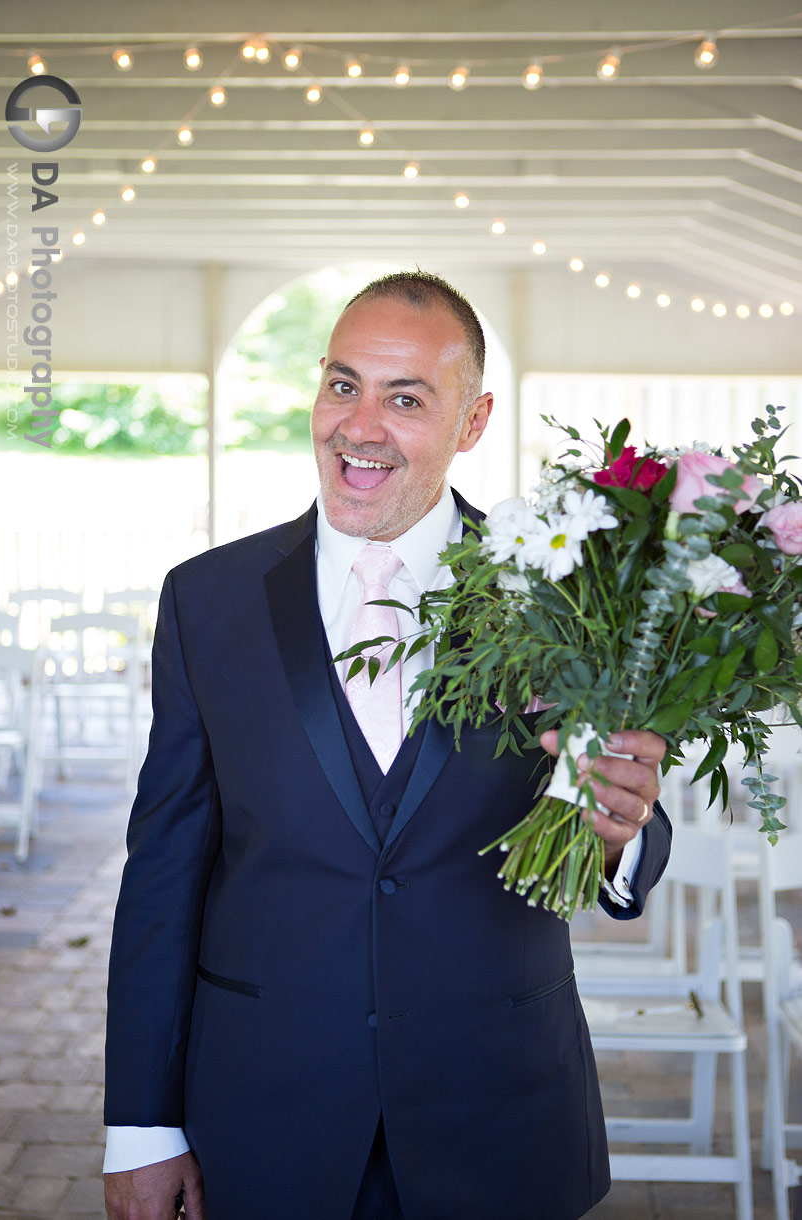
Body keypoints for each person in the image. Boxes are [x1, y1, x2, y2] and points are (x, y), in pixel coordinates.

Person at [103, 271, 670, 1220]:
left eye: (405, 399)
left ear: (473, 420)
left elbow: (618, 814)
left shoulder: (572, 599)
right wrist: (141, 1126)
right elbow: (162, 872)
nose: (359, 426)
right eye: (342, 384)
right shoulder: (206, 601)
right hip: (263, 1113)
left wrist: (619, 835)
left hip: (499, 1113)